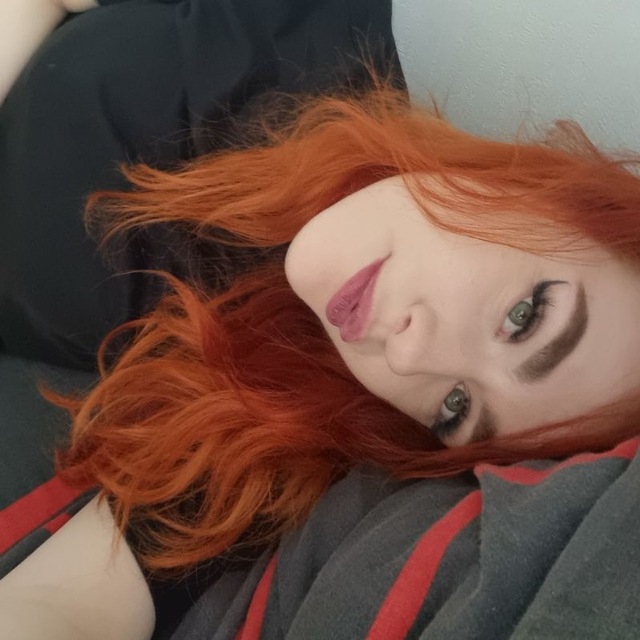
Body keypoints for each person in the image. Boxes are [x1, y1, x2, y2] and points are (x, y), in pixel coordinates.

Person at [3, 2, 640, 639]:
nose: (408, 359)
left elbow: (68, 602)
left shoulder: (282, 423)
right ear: (554, 196)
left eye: (456, 407)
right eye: (524, 318)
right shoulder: (325, 35)